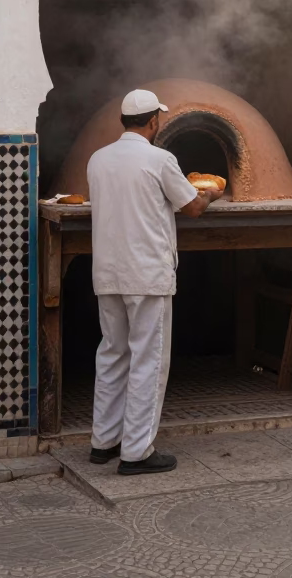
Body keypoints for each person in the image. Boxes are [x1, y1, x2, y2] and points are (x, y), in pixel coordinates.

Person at [86, 89, 223, 474]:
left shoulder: (98, 159)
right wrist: (212, 194)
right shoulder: (160, 159)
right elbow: (192, 207)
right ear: (153, 121)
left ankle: (103, 443)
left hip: (108, 272)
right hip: (147, 274)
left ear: (123, 121)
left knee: (113, 354)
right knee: (149, 360)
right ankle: (136, 452)